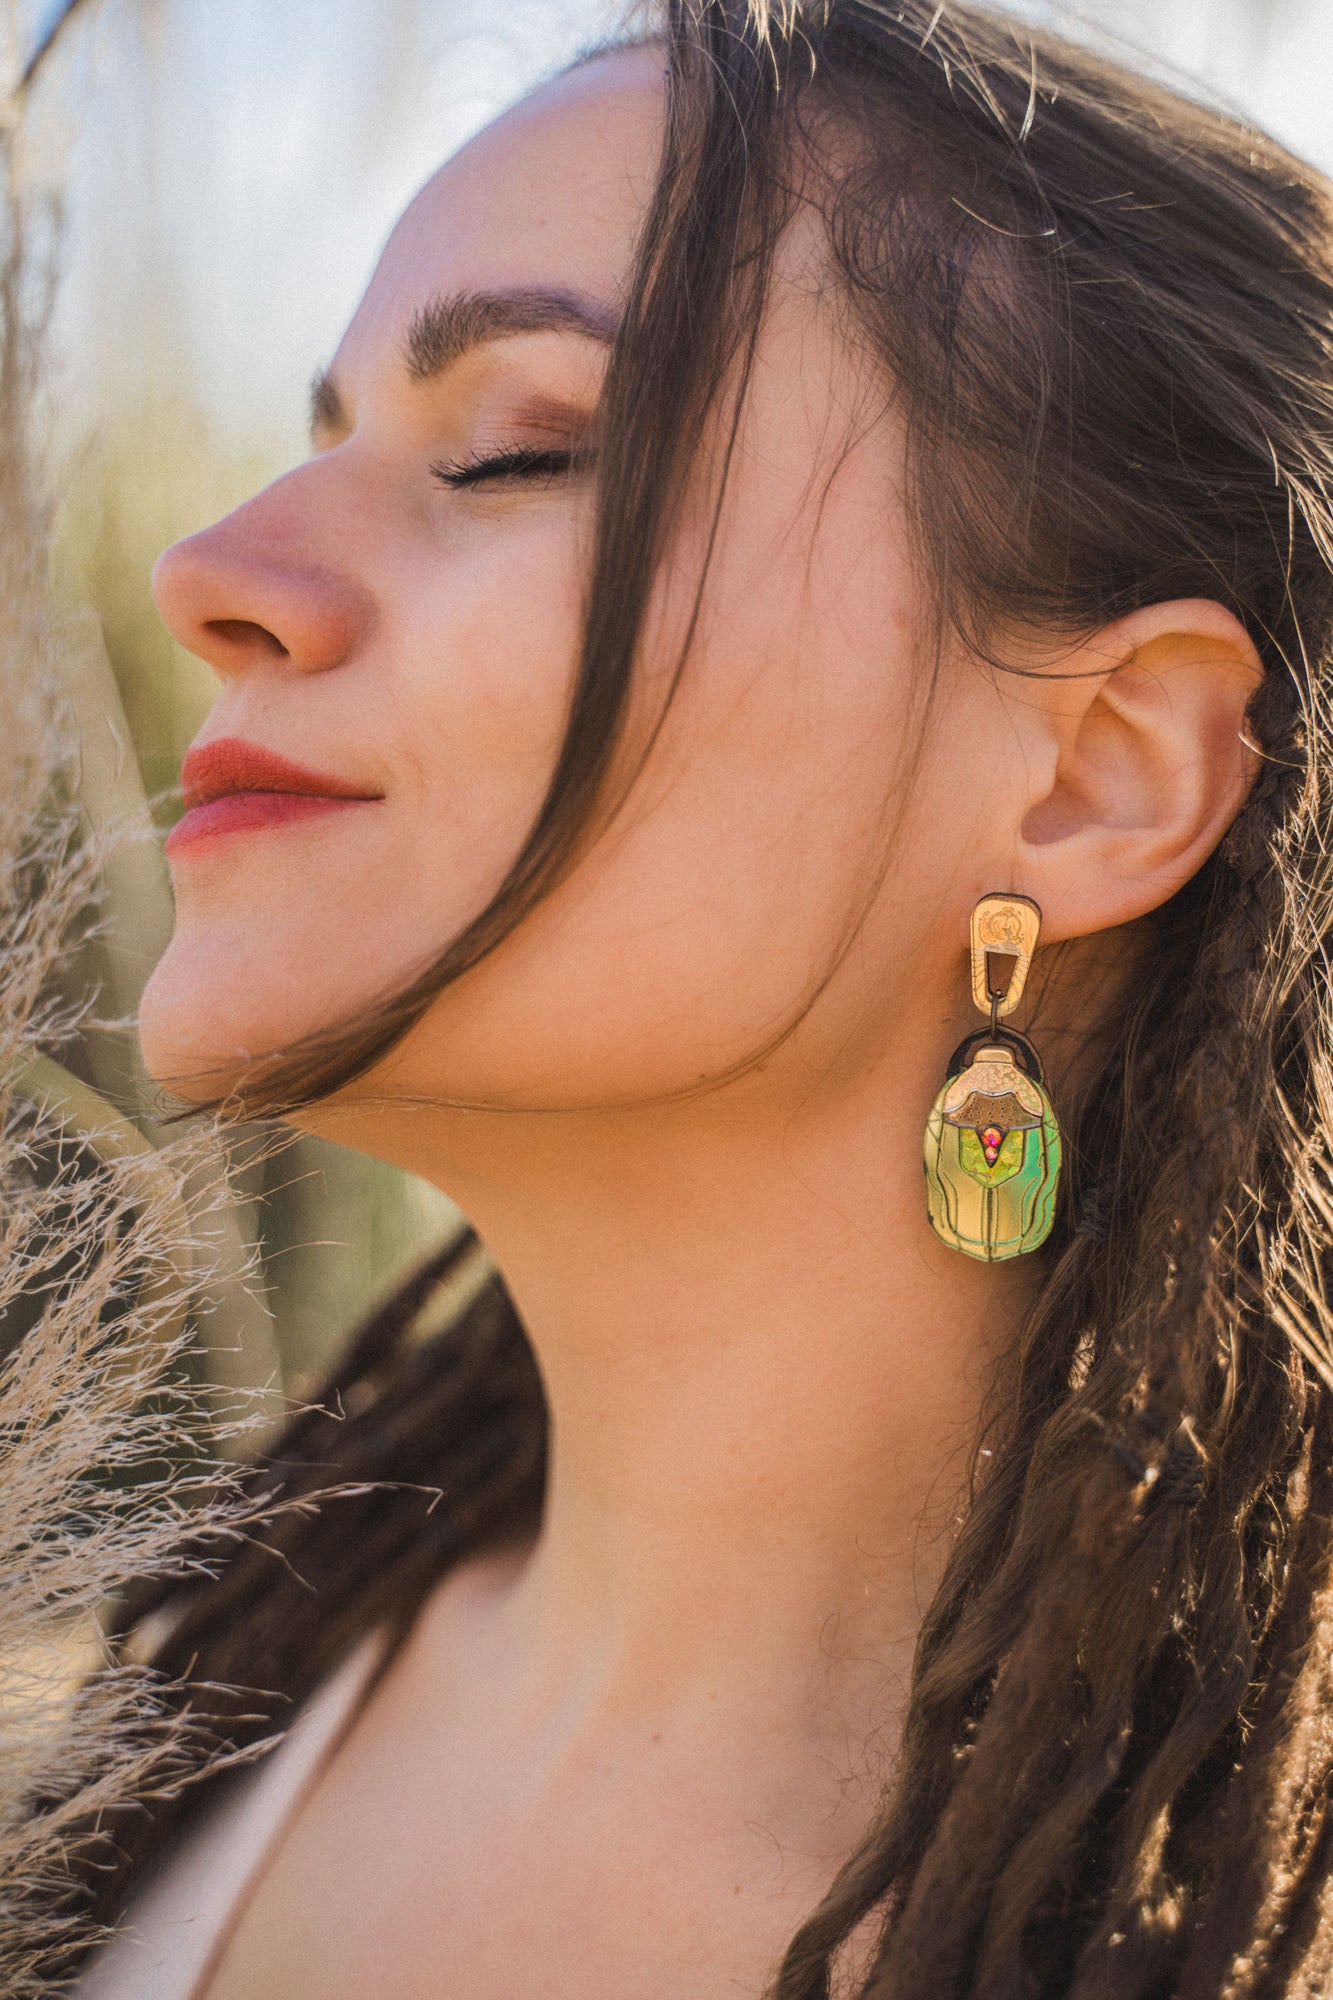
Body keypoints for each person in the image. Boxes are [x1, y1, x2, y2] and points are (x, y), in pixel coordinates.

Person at [65, 0, 1333, 1994]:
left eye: (517, 450)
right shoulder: (211, 1684)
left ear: (1097, 770)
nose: (209, 572)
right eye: (314, 446)